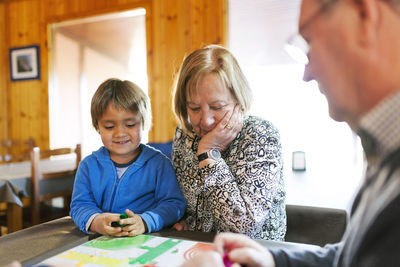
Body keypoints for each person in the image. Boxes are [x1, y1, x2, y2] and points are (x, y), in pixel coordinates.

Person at [181, 0, 400, 266]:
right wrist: (273, 259)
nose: (307, 73)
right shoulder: (383, 152)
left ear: (365, 14)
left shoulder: (259, 133)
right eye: (194, 107)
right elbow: (347, 258)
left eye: (308, 40)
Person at [171, 45, 286, 240]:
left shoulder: (261, 135)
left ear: (238, 101)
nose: (205, 120)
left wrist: (208, 153)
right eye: (195, 108)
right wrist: (184, 221)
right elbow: (187, 204)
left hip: (254, 255)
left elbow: (242, 229)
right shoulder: (185, 135)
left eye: (217, 106)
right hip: (199, 251)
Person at [70, 78, 186, 237]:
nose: (120, 134)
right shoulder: (88, 166)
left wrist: (145, 222)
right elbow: (79, 205)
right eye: (109, 127)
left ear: (144, 123)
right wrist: (97, 221)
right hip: (101, 244)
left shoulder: (159, 164)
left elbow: (174, 205)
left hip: (147, 240)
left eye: (130, 125)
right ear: (97, 127)